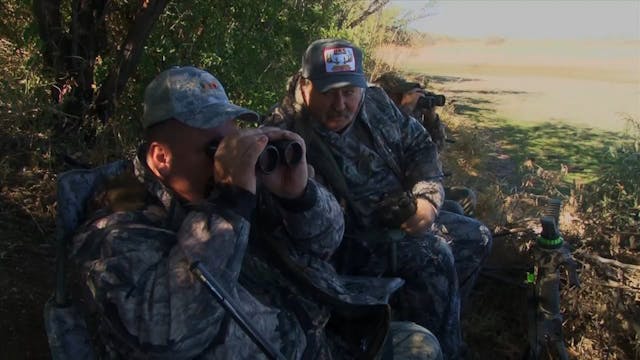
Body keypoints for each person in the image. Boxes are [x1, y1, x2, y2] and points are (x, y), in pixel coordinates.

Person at [65, 66, 443, 359]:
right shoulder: (116, 231)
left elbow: (327, 241)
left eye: (232, 141)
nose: (227, 160)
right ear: (161, 159)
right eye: (214, 149)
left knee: (419, 344)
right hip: (286, 347)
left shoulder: (242, 190)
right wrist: (229, 203)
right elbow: (168, 333)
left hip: (323, 335)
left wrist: (300, 195)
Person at [264, 39, 493, 359]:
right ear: (305, 86)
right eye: (328, 92)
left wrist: (426, 201)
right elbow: (298, 237)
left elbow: (420, 148)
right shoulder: (282, 136)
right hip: (340, 249)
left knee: (477, 237)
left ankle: (426, 324)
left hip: (397, 218)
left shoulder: (376, 101)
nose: (341, 104)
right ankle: (442, 349)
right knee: (433, 255)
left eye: (349, 91)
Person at [374, 72, 476, 217]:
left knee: (466, 195)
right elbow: (392, 151)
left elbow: (436, 149)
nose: (405, 98)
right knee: (454, 208)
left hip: (417, 187)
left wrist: (430, 117)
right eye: (400, 95)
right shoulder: (378, 121)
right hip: (395, 196)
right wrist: (405, 110)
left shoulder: (410, 117)